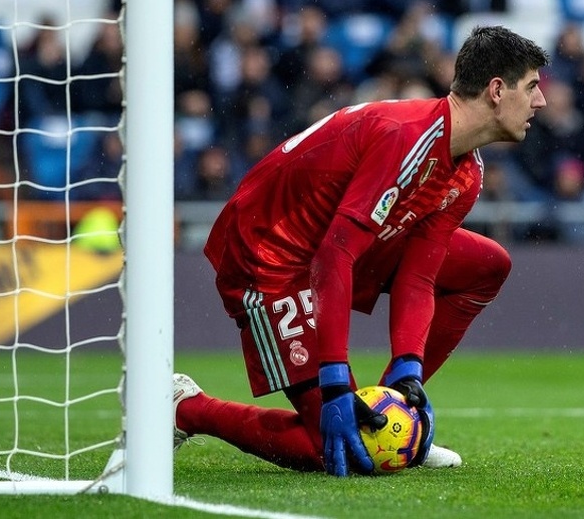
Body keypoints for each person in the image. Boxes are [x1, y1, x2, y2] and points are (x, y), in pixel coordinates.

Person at [173, 25, 549, 477]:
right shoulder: (406, 138)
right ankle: (186, 407)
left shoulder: (466, 173)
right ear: (495, 90)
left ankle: (391, 416)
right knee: (329, 448)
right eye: (531, 87)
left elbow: (418, 276)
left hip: (335, 240)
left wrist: (407, 367)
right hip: (269, 253)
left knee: (487, 264)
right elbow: (334, 256)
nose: (540, 101)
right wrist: (334, 380)